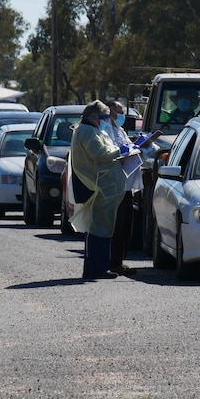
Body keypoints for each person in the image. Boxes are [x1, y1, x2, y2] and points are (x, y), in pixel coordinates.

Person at [69, 100, 128, 280]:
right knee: (100, 230)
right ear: (93, 117)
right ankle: (98, 269)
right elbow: (100, 153)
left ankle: (97, 268)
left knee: (100, 228)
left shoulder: (90, 130)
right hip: (100, 187)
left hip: (103, 186)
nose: (106, 121)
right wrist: (121, 151)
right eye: (104, 117)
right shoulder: (87, 131)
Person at [104, 100, 141, 276]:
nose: (121, 116)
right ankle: (113, 262)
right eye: (118, 112)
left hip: (127, 185)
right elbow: (110, 152)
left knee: (127, 225)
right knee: (116, 226)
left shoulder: (120, 130)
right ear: (109, 112)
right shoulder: (104, 131)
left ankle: (120, 261)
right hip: (114, 185)